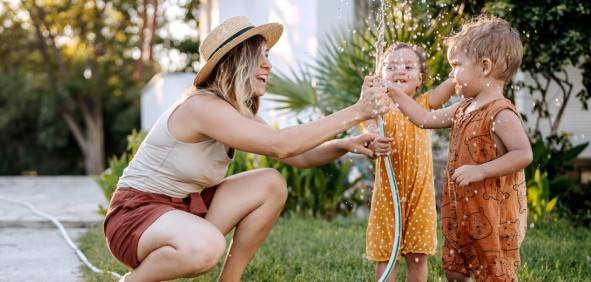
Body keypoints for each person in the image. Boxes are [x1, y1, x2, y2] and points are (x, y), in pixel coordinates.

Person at [103, 16, 393, 282]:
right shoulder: (202, 108)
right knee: (207, 246)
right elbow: (281, 146)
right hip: (135, 217)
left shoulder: (237, 112)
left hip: (183, 209)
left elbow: (298, 154)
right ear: (235, 61)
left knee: (270, 184)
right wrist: (358, 110)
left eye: (268, 56)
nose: (268, 65)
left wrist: (346, 145)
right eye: (260, 56)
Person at [383, 15, 532, 281]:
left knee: (492, 271)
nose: (452, 76)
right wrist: (395, 94)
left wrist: (482, 171)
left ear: (485, 67)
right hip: (459, 209)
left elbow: (523, 154)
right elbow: (425, 119)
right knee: (454, 268)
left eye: (456, 66)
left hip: (490, 214)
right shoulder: (463, 108)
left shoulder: (501, 113)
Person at [364, 42, 455, 282]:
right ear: (380, 75)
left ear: (419, 79)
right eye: (391, 66)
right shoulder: (377, 110)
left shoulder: (424, 103)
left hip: (419, 194)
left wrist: (461, 70)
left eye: (408, 66)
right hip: (387, 194)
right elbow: (368, 135)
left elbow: (451, 86)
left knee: (418, 255)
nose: (399, 71)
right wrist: (374, 143)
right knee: (386, 254)